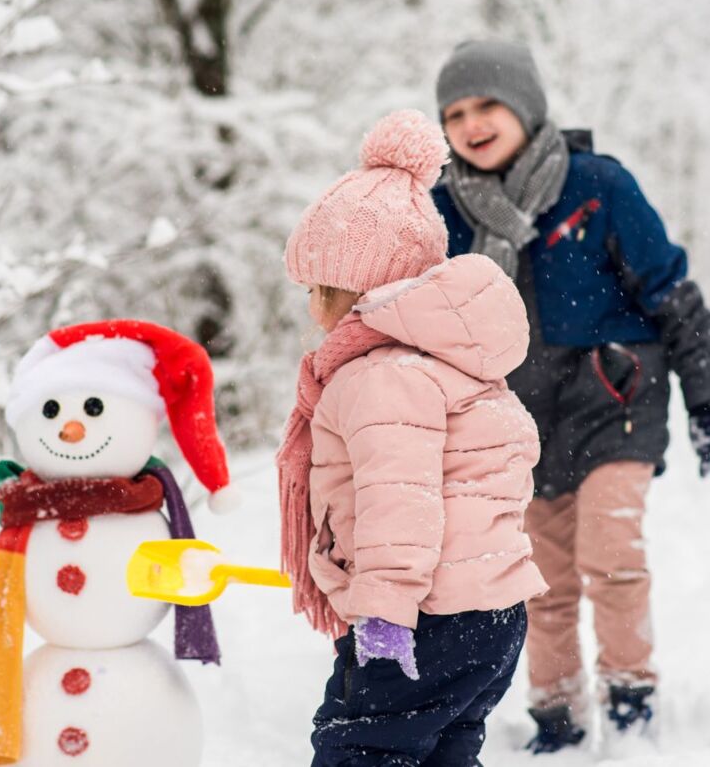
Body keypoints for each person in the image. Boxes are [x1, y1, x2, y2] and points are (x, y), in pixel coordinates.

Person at [431, 38, 710, 752]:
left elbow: (671, 291)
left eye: (488, 104)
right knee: (539, 578)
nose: (471, 122)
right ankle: (556, 712)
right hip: (516, 423)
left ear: (525, 106)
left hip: (615, 399)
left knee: (610, 554)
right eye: (454, 112)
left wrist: (705, 400)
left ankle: (630, 697)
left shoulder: (596, 185)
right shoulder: (445, 210)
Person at [276, 108, 547, 767]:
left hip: (426, 615)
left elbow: (400, 498)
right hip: (490, 614)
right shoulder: (457, 362)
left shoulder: (381, 375)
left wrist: (385, 609)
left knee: (360, 747)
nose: (311, 306)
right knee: (442, 750)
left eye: (319, 288)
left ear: (357, 289)